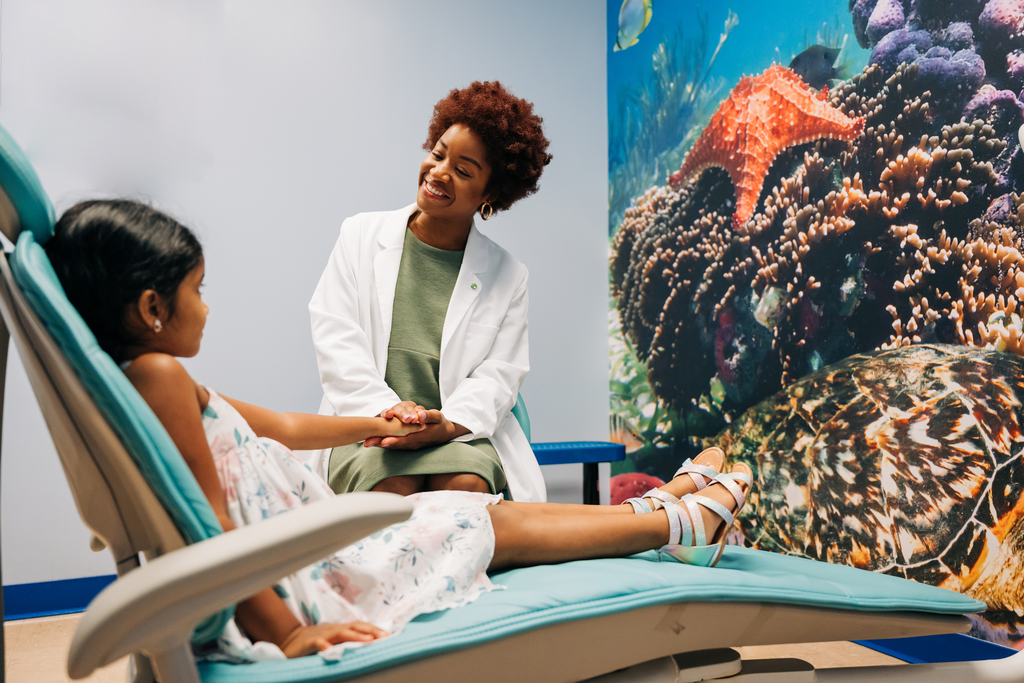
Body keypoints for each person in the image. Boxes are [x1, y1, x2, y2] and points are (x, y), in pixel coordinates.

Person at [45, 199, 752, 662]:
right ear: (150, 307)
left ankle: (676, 508)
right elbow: (215, 526)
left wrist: (378, 423)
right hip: (310, 564)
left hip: (311, 540)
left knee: (469, 513)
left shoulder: (152, 381)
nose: (207, 305)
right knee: (479, 521)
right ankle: (675, 521)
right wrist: (289, 630)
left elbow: (283, 425)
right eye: (196, 289)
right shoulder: (160, 379)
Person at [309, 81, 552, 502]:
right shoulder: (360, 235)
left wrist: (449, 423)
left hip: (457, 435)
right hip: (368, 423)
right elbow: (336, 338)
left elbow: (499, 377)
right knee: (390, 489)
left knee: (463, 490)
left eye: (462, 170)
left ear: (489, 194)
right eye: (438, 154)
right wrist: (389, 412)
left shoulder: (510, 275)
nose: (438, 172)